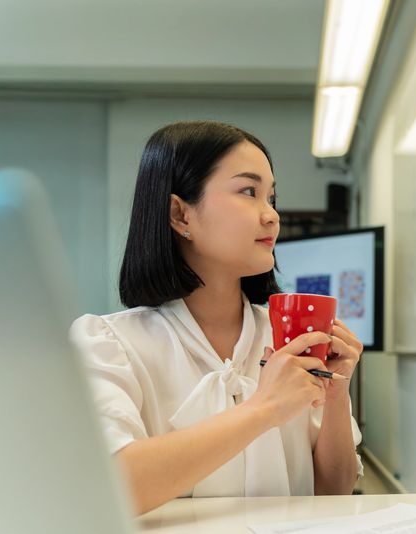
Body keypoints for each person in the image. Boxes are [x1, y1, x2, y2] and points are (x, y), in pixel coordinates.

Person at [70, 121, 363, 515]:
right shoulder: (108, 343)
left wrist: (336, 394)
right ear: (179, 214)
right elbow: (112, 486)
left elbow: (334, 493)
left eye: (271, 198)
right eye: (248, 191)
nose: (272, 216)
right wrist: (262, 409)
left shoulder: (289, 338)